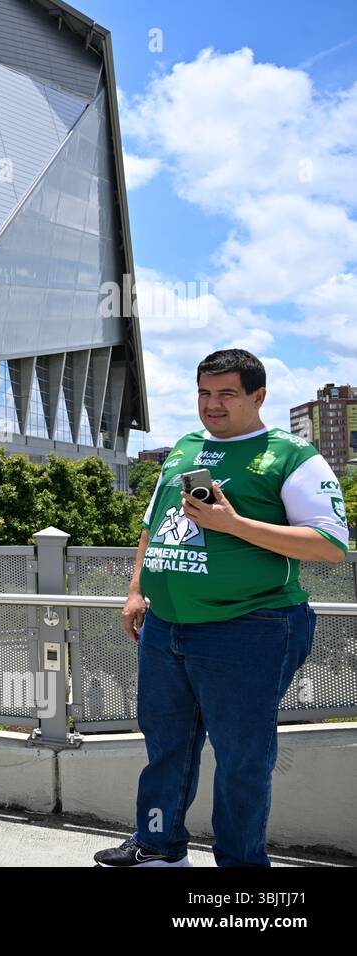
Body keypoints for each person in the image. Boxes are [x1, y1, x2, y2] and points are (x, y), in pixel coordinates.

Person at [95, 349, 348, 867]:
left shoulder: (292, 455)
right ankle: (159, 843)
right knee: (165, 745)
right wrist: (136, 588)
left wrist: (233, 525)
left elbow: (329, 544)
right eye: (205, 393)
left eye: (227, 393)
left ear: (258, 396)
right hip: (167, 627)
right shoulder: (186, 448)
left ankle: (240, 866)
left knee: (240, 758)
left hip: (251, 626)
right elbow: (154, 522)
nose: (212, 404)